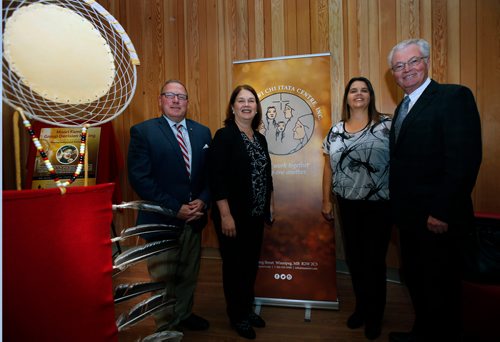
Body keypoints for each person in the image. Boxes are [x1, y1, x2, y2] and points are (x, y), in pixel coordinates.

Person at [387, 39, 482, 342]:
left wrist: (441, 211)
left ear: (427, 61)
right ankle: (422, 332)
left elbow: (464, 160)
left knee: (442, 287)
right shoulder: (403, 106)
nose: (407, 70)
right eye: (399, 66)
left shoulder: (453, 97)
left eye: (413, 61)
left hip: (437, 219)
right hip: (410, 219)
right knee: (417, 279)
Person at [127, 79, 211, 332]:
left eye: (181, 96)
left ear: (187, 102)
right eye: (170, 95)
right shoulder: (143, 132)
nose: (176, 100)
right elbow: (140, 179)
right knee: (162, 279)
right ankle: (165, 327)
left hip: (194, 220)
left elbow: (211, 174)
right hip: (161, 221)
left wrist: (204, 200)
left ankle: (183, 314)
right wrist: (175, 207)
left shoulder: (203, 132)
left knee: (187, 275)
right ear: (160, 100)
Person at [321, 77, 392, 340]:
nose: (358, 94)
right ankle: (362, 308)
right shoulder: (336, 130)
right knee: (355, 260)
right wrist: (326, 199)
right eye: (354, 90)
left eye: (364, 90)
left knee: (374, 261)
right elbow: (328, 166)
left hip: (379, 205)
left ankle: (375, 316)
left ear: (370, 96)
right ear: (347, 97)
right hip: (347, 205)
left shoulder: (387, 125)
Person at [209, 84, 274, 340]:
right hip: (232, 217)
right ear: (233, 106)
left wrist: (270, 203)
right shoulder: (225, 136)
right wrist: (225, 214)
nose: (247, 105)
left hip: (255, 215)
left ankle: (246, 309)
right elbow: (217, 179)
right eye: (241, 100)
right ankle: (237, 316)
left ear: (256, 107)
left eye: (251, 101)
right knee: (234, 267)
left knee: (249, 266)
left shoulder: (260, 138)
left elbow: (266, 174)